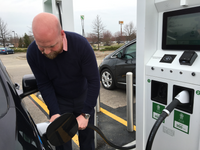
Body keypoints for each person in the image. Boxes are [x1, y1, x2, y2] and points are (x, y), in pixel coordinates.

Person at [27, 12, 100, 150]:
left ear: (61, 34)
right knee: (61, 143)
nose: (47, 52)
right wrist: (54, 112)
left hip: (82, 97)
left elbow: (94, 81)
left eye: (52, 46)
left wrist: (86, 113)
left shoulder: (81, 45)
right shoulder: (32, 53)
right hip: (59, 100)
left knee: (87, 140)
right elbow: (44, 83)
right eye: (41, 46)